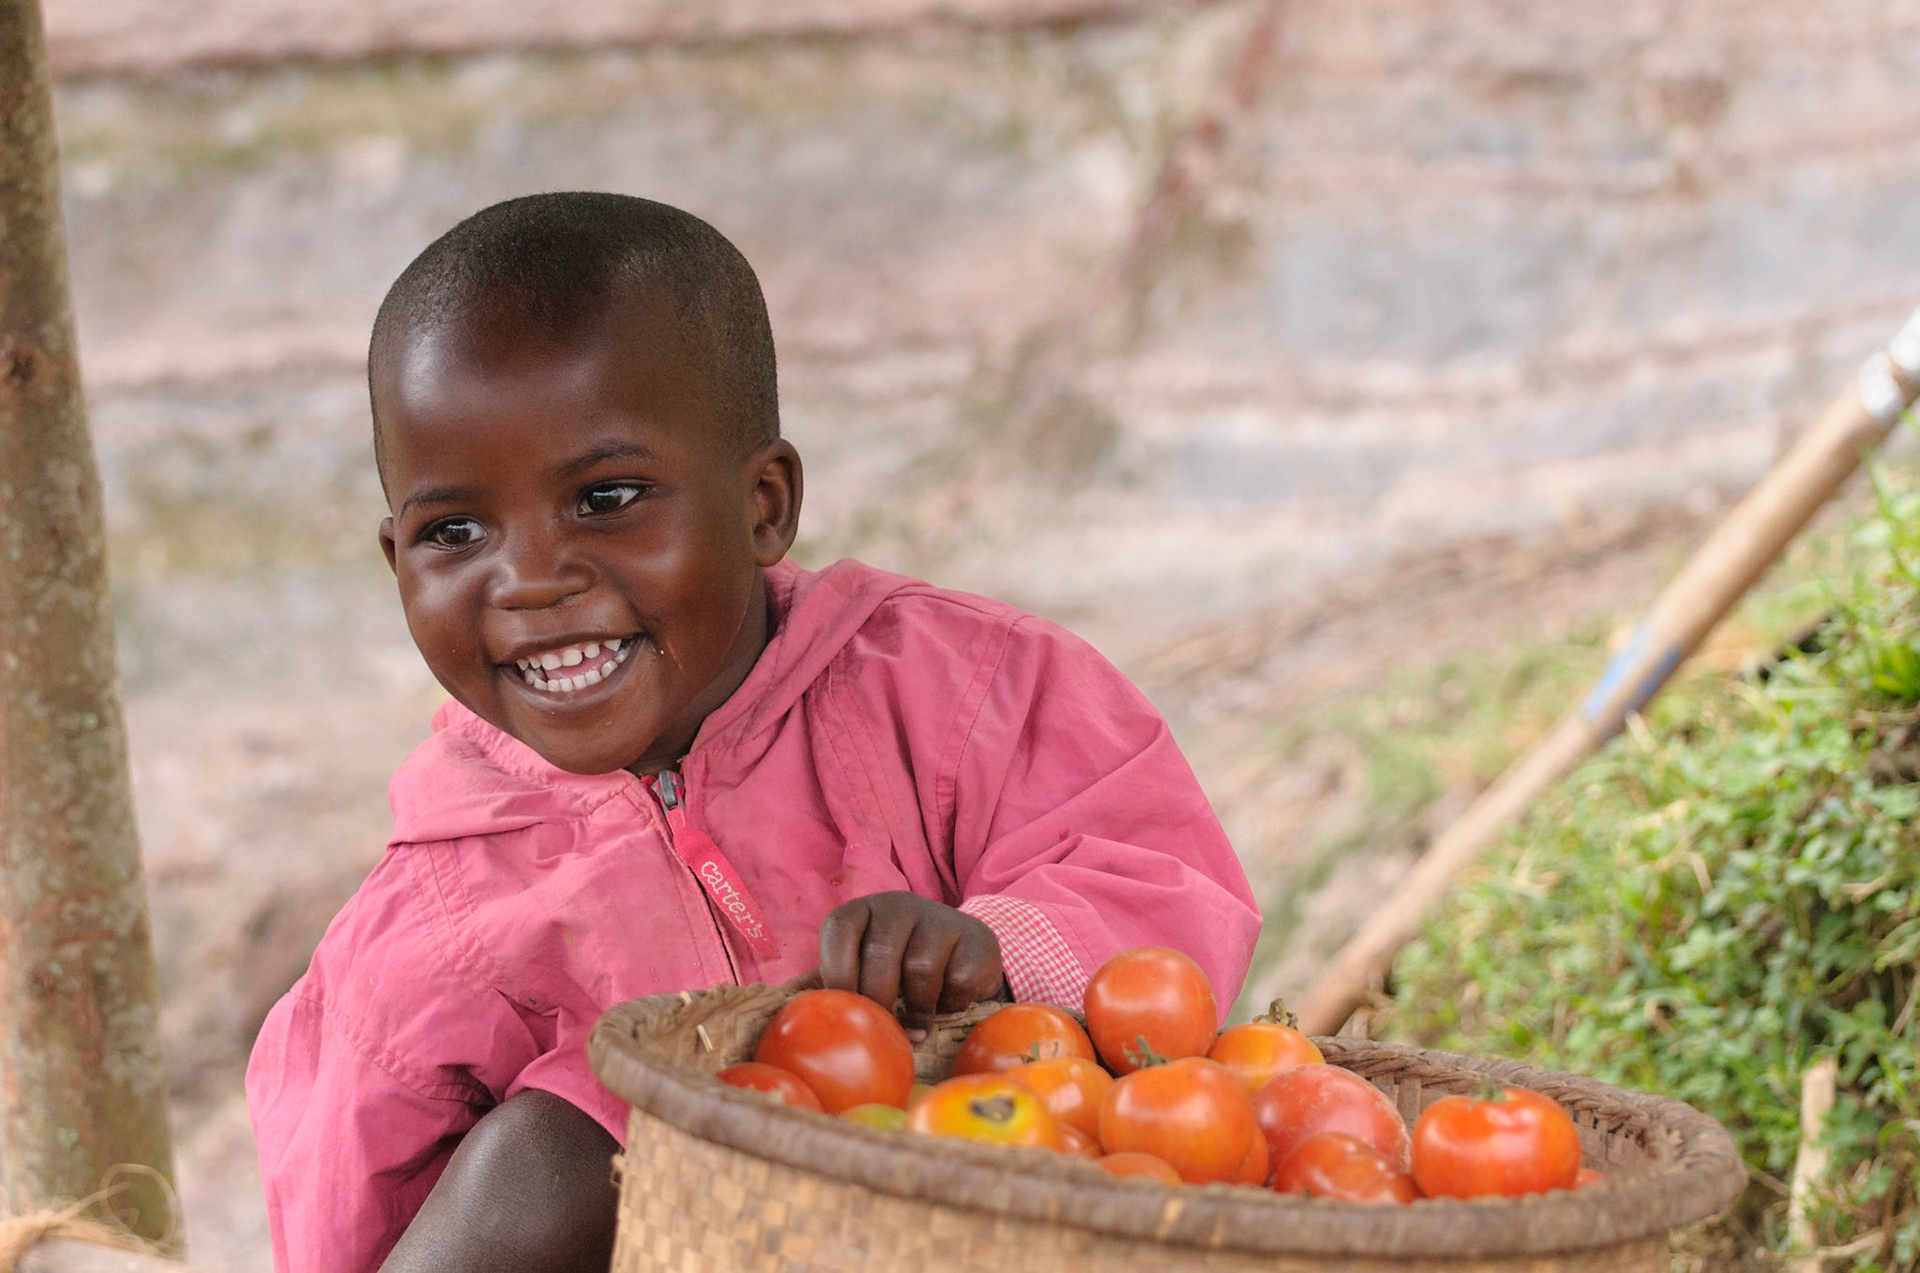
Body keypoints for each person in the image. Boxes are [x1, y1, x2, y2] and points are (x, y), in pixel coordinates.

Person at [245, 191, 1262, 1273]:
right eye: (454, 529)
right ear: (397, 560)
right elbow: (348, 1225)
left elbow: (1158, 875)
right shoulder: (431, 920)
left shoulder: (963, 691)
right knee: (554, 1148)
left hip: (1006, 1226)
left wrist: (997, 951)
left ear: (765, 503)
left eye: (607, 497)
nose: (531, 579)